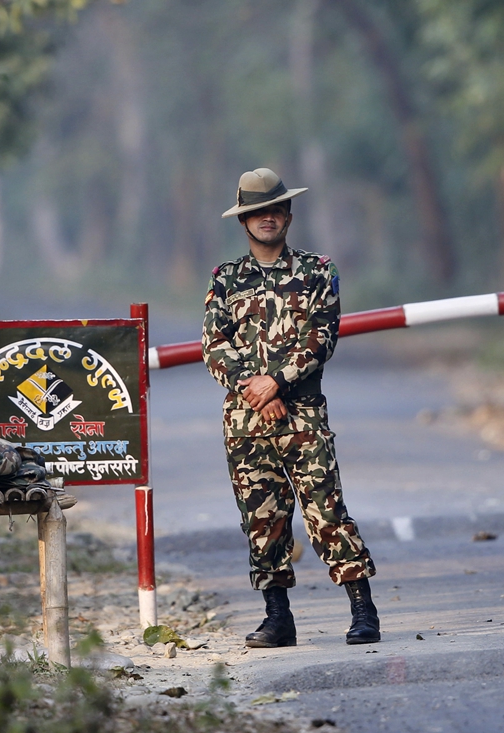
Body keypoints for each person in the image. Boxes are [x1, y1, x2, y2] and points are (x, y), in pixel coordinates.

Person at [202, 167, 380, 647]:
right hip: (246, 422)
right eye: (257, 211)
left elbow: (322, 337)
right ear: (244, 221)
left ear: (289, 214)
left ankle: (363, 610)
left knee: (326, 511)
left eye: (275, 209)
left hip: (303, 415)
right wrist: (254, 393)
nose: (267, 218)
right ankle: (277, 618)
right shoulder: (226, 278)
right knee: (262, 521)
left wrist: (276, 383)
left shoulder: (319, 271)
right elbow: (214, 346)